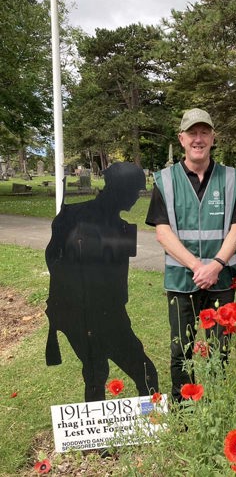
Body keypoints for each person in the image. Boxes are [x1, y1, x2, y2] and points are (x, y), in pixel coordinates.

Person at [146, 108, 236, 402]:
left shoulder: (230, 179)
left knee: (221, 349)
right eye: (192, 133)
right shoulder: (165, 181)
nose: (198, 139)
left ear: (212, 138)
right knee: (181, 349)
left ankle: (217, 406)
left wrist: (216, 265)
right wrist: (198, 266)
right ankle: (184, 413)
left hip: (221, 280)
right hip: (182, 281)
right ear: (181, 139)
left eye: (204, 132)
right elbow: (162, 232)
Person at [45, 162, 159, 402]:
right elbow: (54, 260)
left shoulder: (122, 228)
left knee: (104, 372)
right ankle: (108, 427)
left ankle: (150, 421)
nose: (137, 198)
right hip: (80, 313)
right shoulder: (71, 216)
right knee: (110, 371)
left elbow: (118, 283)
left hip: (104, 313)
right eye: (135, 191)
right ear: (120, 189)